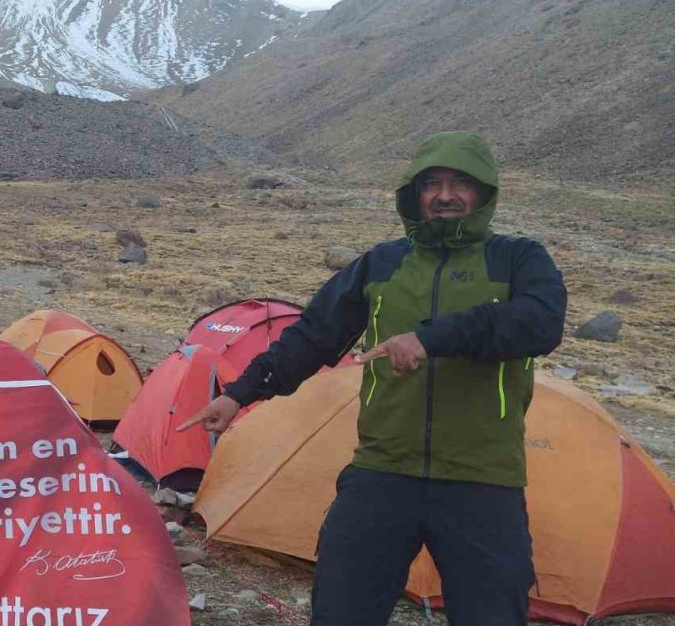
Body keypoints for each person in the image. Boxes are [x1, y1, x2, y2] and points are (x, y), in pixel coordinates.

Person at [181, 132, 567, 625]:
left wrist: (432, 338)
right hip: (383, 471)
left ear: (483, 193)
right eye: (431, 183)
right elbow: (313, 336)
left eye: (459, 183)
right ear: (414, 193)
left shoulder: (518, 259)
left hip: (483, 479)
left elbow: (539, 324)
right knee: (342, 610)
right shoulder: (381, 263)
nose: (444, 194)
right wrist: (239, 394)